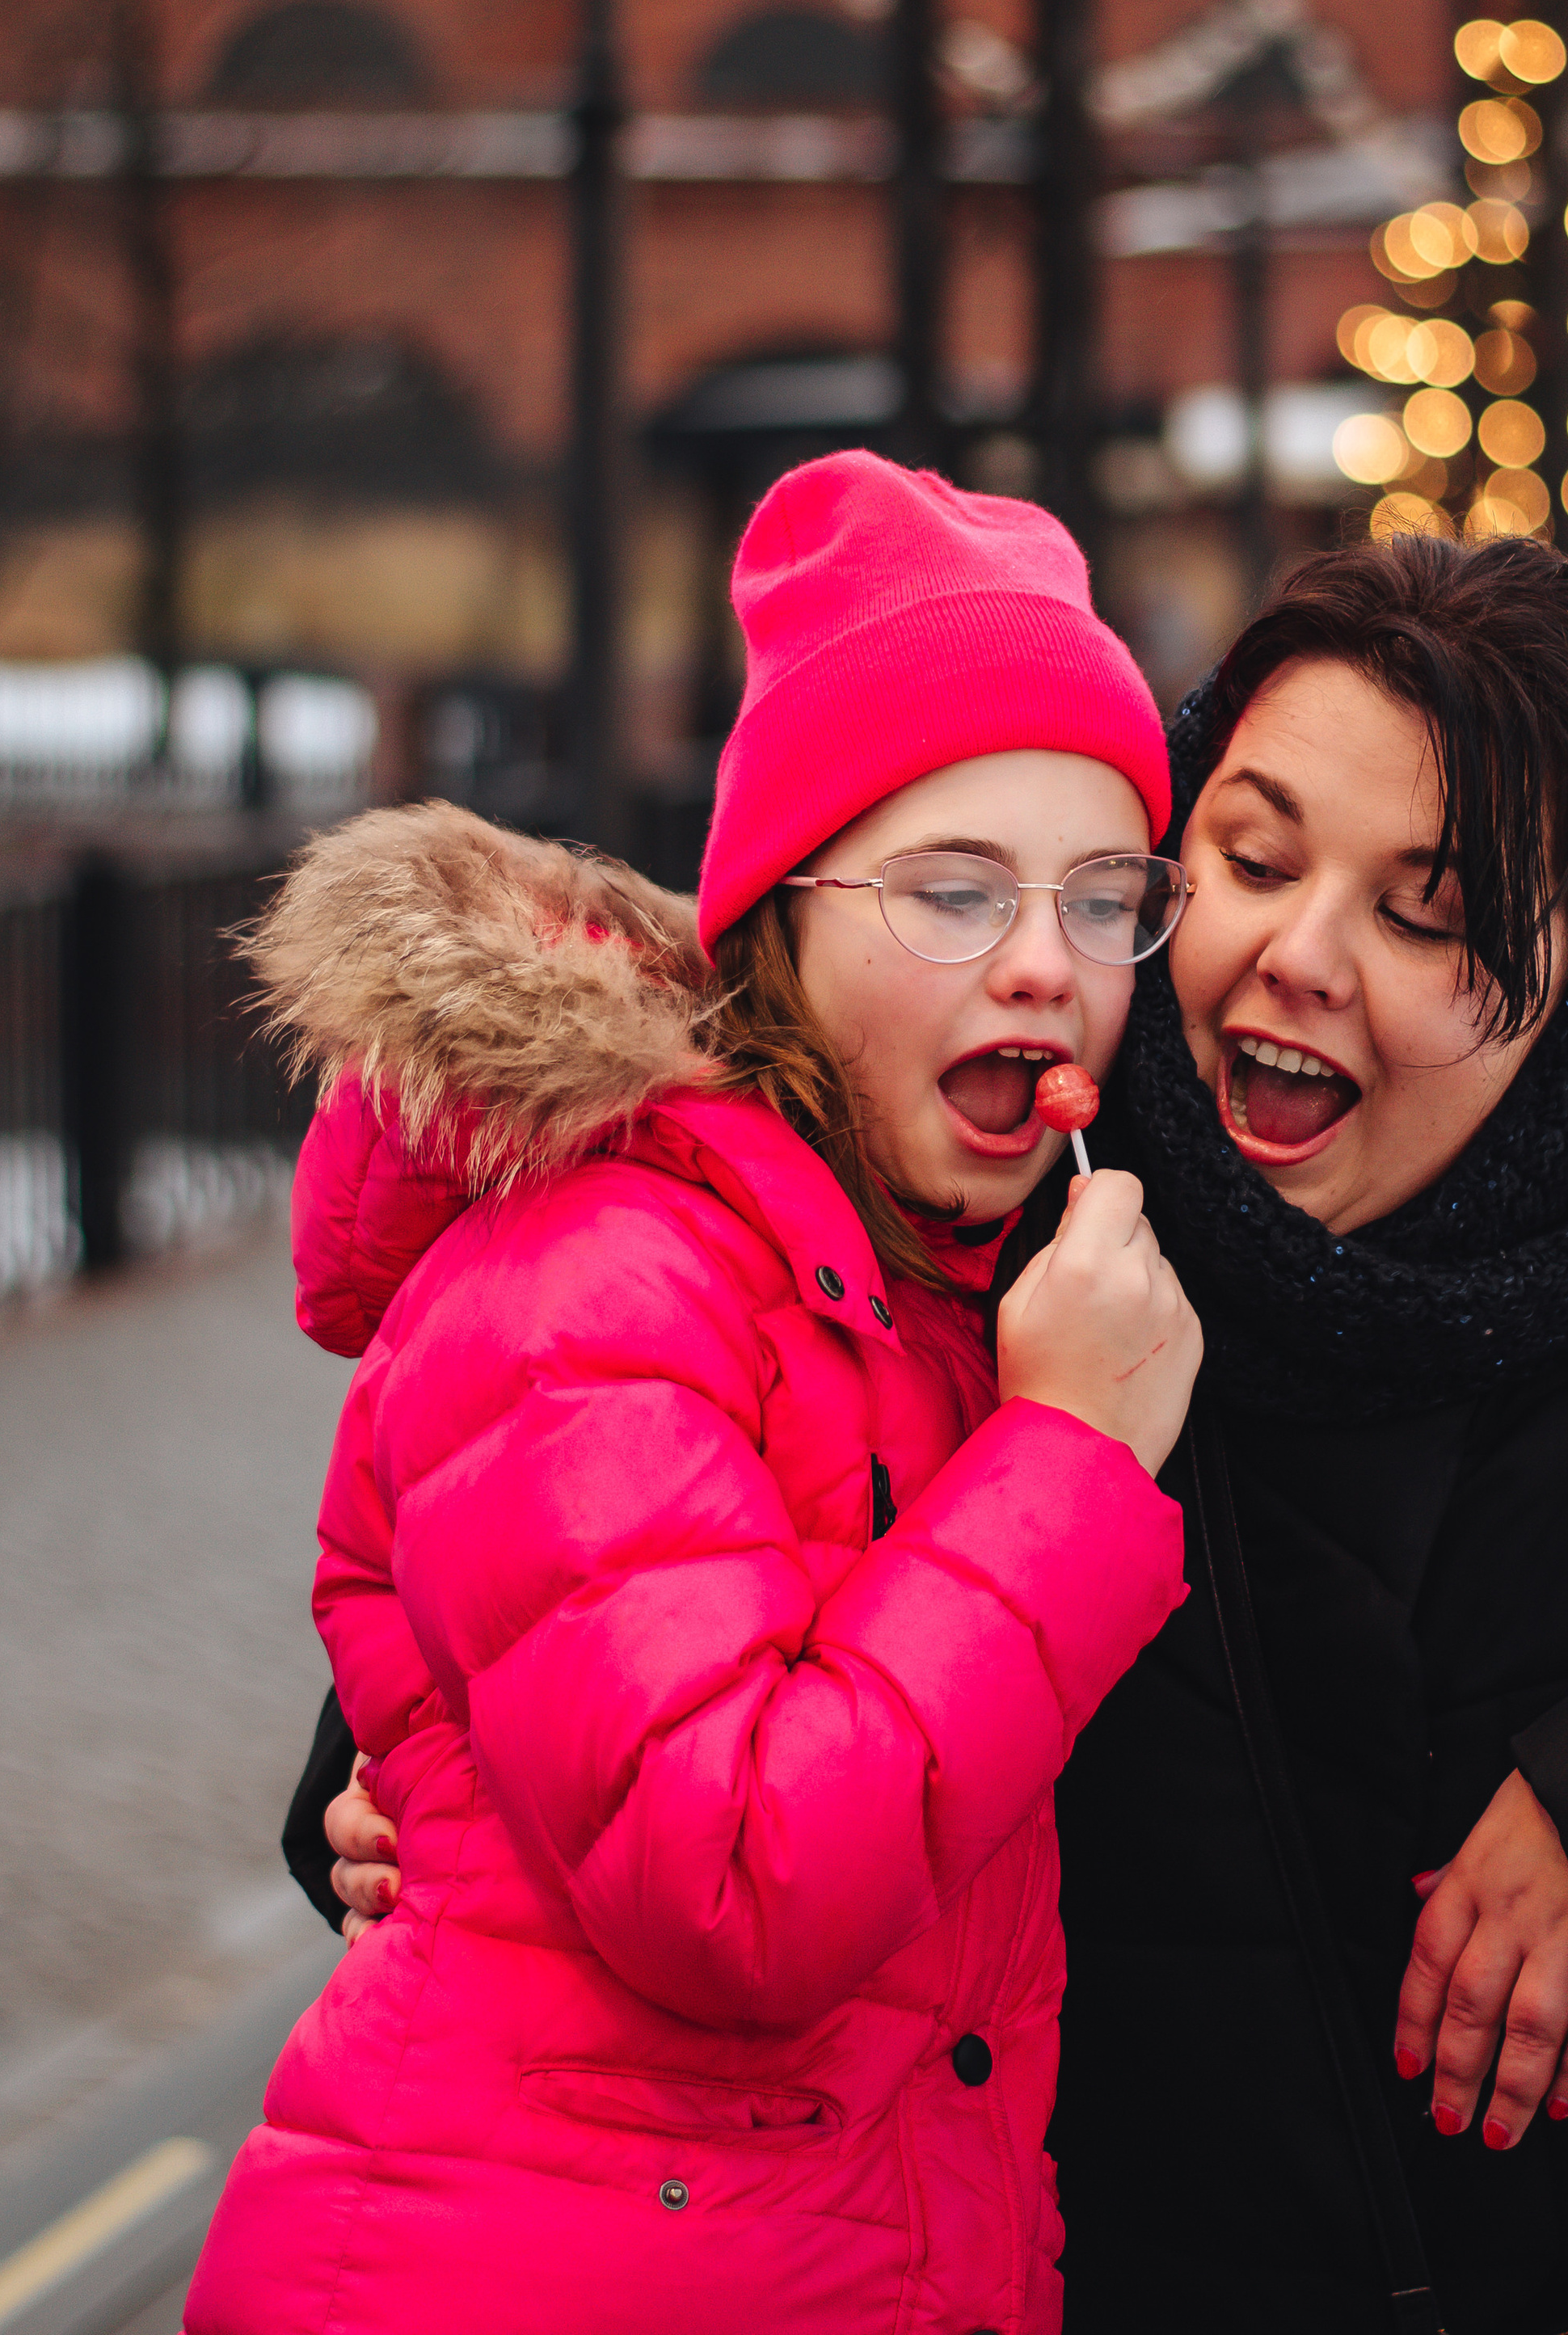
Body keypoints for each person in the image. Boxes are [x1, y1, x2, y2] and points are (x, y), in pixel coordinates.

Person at [301, 524, 1568, 2333]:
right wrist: (397, 1791)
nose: (1293, 955)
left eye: (1423, 914)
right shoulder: (1007, 1181)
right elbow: (568, 1578)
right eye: (1250, 858)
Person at [183, 452, 1201, 2335]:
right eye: (956, 890)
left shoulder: (935, 1269)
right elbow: (737, 1873)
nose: (1048, 968)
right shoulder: (606, 1265)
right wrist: (1066, 1460)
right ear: (782, 924)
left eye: (1103, 894)